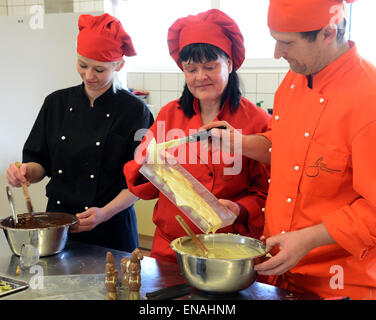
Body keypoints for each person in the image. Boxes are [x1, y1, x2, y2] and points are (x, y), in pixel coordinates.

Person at [203, 0, 376, 300]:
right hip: (282, 273)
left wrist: (308, 239)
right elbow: (286, 150)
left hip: (339, 281)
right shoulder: (293, 82)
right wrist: (238, 142)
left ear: (327, 32)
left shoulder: (368, 98)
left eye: (286, 43)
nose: (276, 53)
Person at [123, 9, 271, 263]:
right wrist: (151, 165)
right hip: (170, 250)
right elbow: (141, 182)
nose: (200, 76)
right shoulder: (169, 115)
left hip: (228, 252)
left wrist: (240, 208)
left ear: (230, 64)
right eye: (191, 69)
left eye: (210, 67)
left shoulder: (256, 121)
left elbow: (266, 191)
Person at [6, 13, 154, 252]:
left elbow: (141, 181)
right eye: (82, 65)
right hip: (57, 226)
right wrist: (25, 172)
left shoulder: (135, 111)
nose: (88, 76)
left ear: (119, 65)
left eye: (99, 69)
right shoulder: (56, 103)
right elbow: (39, 162)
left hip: (112, 227)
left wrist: (104, 213)